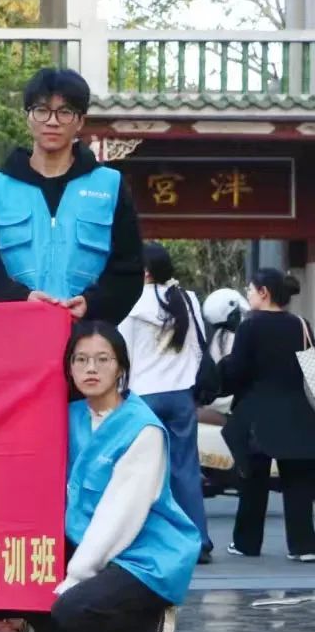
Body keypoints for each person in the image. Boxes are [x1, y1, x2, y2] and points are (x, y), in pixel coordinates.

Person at [15, 321, 201, 632]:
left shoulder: (142, 428)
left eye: (103, 359)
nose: (91, 369)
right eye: (81, 359)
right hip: (86, 543)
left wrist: (77, 575)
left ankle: (152, 631)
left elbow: (119, 515)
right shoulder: (67, 417)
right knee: (16, 568)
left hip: (142, 556)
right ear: (69, 367)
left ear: (121, 368)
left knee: (71, 606)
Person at [0, 67, 142, 325]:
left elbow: (129, 268)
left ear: (80, 121)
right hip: (13, 330)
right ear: (28, 117)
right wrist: (20, 299)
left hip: (87, 336)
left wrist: (92, 304)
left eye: (65, 112)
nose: (52, 122)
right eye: (42, 110)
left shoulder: (110, 186)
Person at [119, 242, 212, 564]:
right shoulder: (186, 299)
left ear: (144, 271)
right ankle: (199, 541)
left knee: (144, 472)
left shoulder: (131, 302)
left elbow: (123, 354)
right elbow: (198, 349)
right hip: (181, 395)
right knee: (185, 469)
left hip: (143, 396)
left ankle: (153, 541)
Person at [219, 269, 315, 562]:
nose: (248, 295)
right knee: (298, 482)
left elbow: (237, 371)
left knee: (253, 482)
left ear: (264, 292)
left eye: (250, 289)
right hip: (297, 412)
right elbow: (312, 374)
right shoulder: (301, 324)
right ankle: (303, 546)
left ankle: (246, 543)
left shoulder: (250, 326)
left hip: (257, 414)